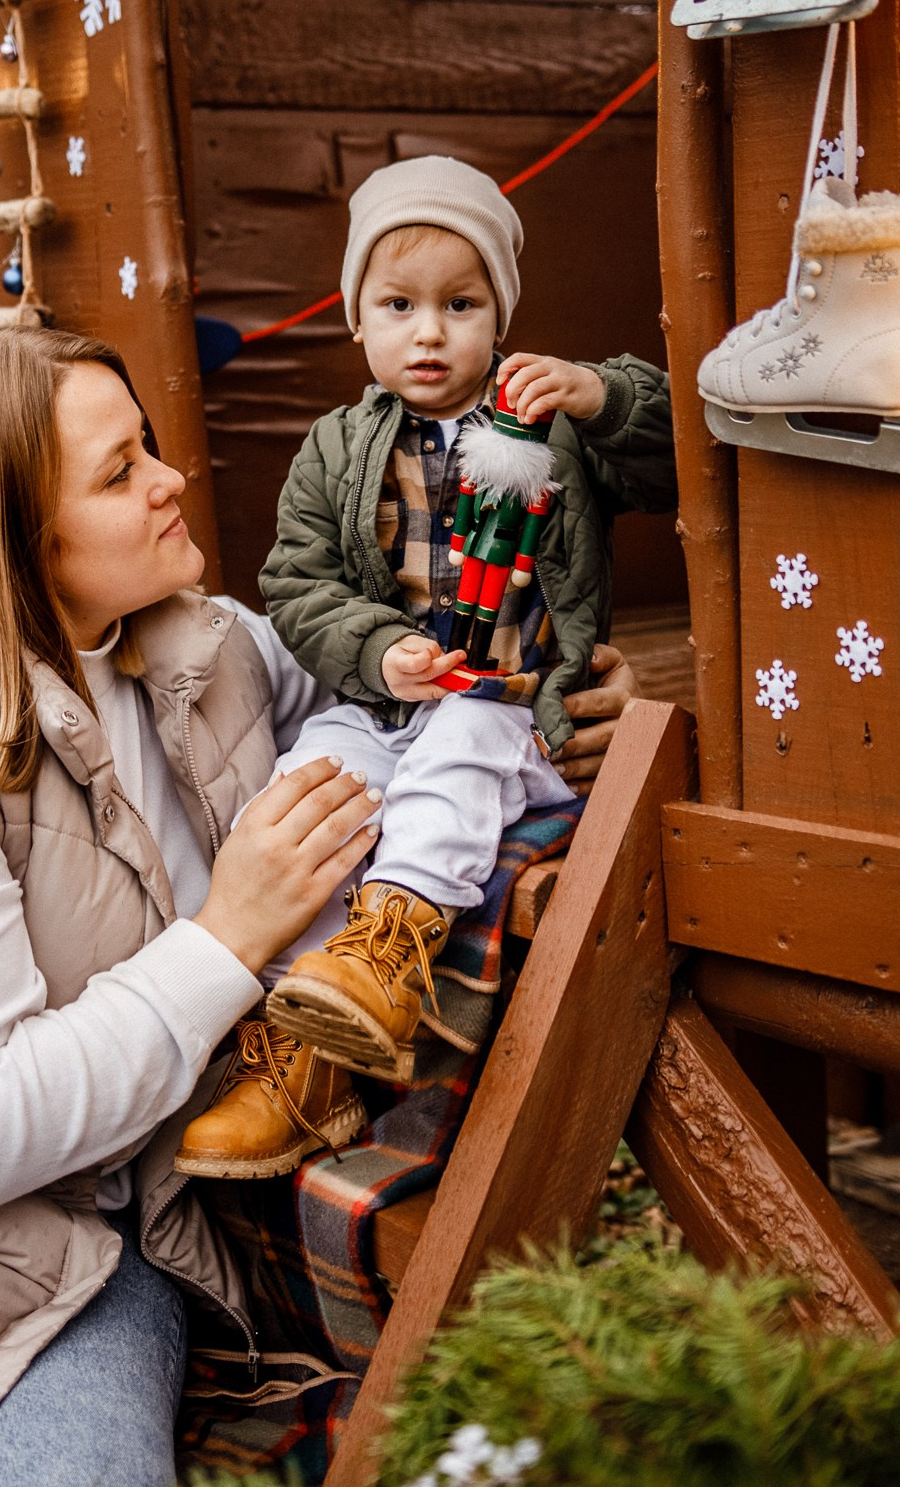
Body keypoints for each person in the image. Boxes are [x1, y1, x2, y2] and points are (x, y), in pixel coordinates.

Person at [0, 326, 637, 1485]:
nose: (170, 480)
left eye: (145, 444)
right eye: (118, 472)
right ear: (13, 539)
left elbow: (420, 711)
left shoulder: (218, 650)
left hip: (78, 1252)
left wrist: (558, 708)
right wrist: (227, 939)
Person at [174, 155, 675, 1182]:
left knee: (459, 746)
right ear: (359, 319)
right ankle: (302, 1058)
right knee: (307, 781)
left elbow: (672, 457)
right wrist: (373, 648)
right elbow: (297, 583)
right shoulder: (336, 448)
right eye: (399, 304)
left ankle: (390, 953)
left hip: (515, 701)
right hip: (388, 700)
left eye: (461, 302)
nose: (431, 331)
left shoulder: (550, 421)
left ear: (500, 313)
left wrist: (599, 393)